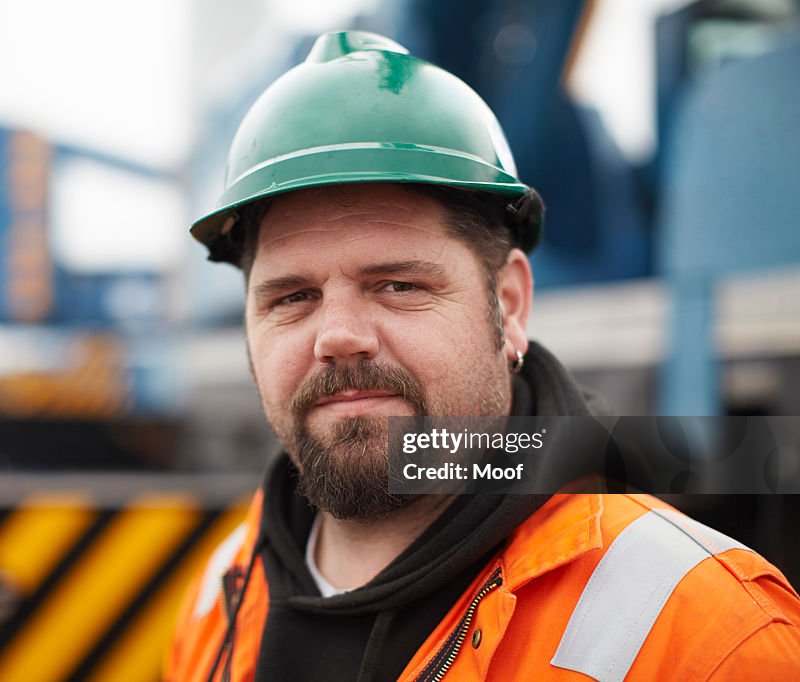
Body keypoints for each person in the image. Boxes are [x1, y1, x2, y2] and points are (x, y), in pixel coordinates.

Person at [167, 31, 800, 681]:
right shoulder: (221, 595)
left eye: (397, 285)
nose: (338, 335)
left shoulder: (711, 633)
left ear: (511, 306)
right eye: (292, 297)